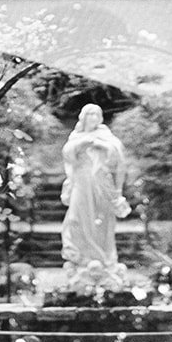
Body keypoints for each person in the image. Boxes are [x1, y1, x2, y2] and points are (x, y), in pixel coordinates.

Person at [60, 103, 131, 273]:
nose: (92, 118)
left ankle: (103, 258)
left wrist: (103, 146)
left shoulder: (105, 135)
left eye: (96, 115)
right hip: (81, 181)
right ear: (83, 117)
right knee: (76, 218)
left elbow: (118, 157)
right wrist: (82, 143)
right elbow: (68, 153)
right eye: (89, 114)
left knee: (102, 219)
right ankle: (82, 256)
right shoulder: (77, 135)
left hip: (101, 182)